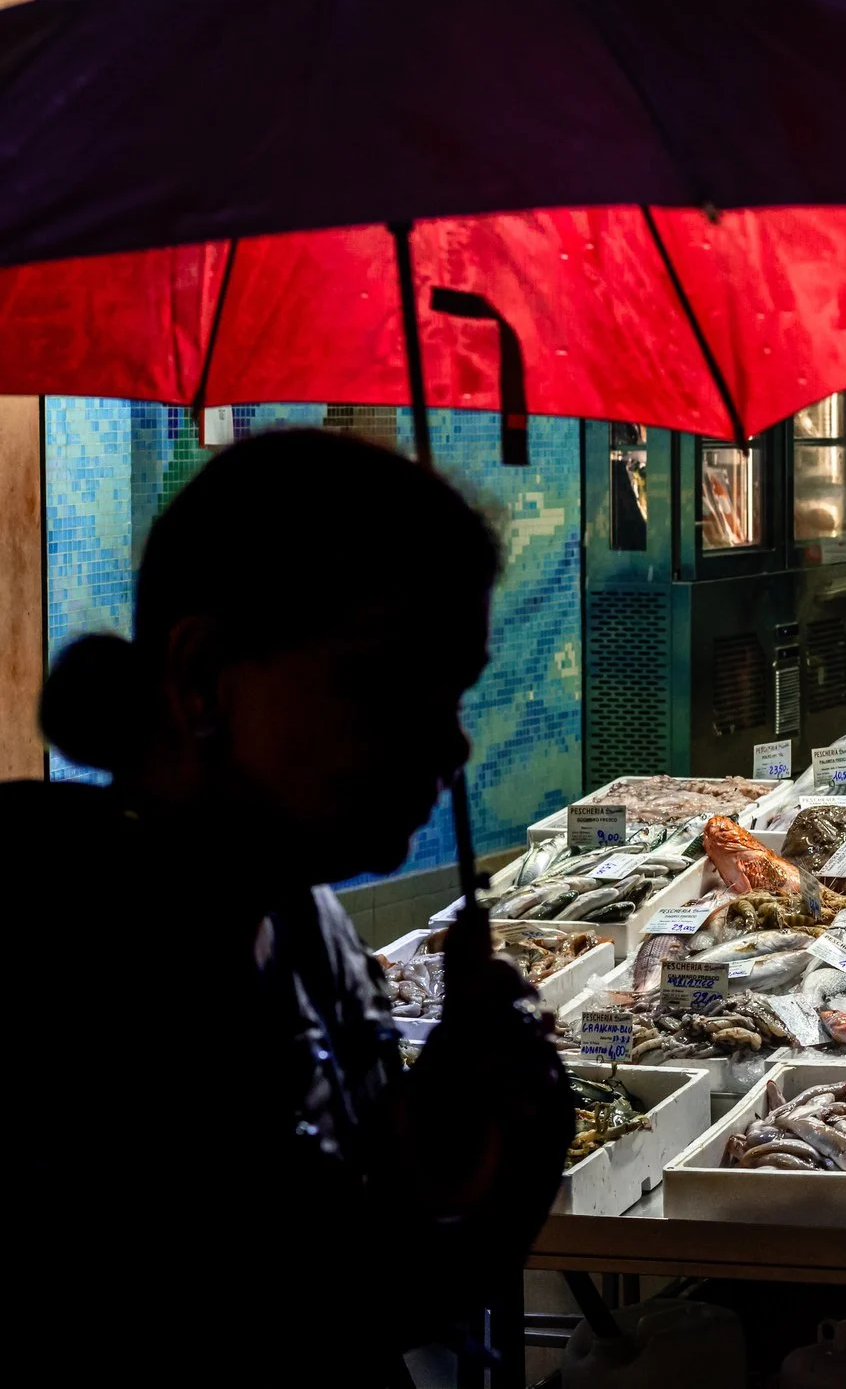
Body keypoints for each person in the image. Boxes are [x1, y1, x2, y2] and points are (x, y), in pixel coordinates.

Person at [9, 430, 572, 1386]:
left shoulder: (307, 925)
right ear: (202, 677)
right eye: (393, 684)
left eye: (457, 690)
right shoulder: (60, 973)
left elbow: (367, 1286)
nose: (451, 744)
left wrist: (467, 1151)